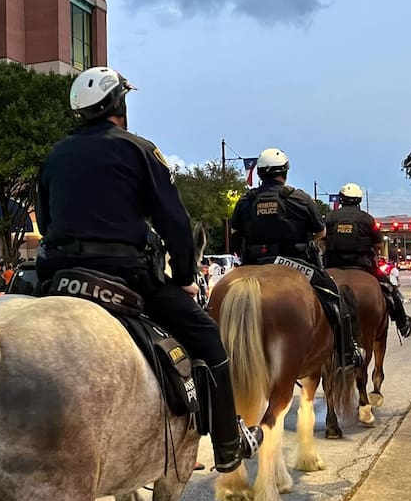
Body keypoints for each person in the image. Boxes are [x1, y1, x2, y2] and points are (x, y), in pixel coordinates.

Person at [36, 66, 262, 473]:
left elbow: (47, 222)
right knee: (208, 337)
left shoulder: (55, 154)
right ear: (119, 104)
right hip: (125, 275)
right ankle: (228, 443)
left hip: (59, 277)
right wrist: (184, 279)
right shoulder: (139, 150)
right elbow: (175, 223)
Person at [229, 149, 366, 370]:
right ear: (285, 172)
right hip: (293, 263)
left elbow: (235, 231)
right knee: (333, 294)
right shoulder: (299, 198)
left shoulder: (246, 200)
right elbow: (321, 233)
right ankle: (346, 351)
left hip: (252, 263)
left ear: (260, 173)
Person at [323, 182, 411, 337]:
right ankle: (403, 323)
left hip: (333, 263)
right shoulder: (367, 219)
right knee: (390, 289)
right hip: (363, 264)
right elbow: (379, 243)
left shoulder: (330, 218)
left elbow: (322, 240)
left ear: (341, 199)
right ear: (359, 200)